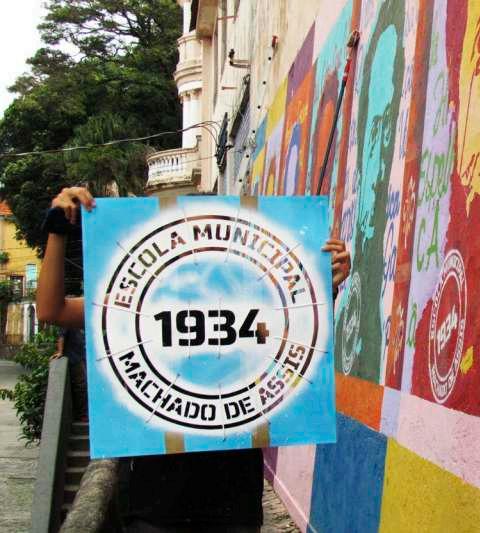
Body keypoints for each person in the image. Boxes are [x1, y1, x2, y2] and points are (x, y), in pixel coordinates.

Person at [37, 186, 351, 533]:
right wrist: (57, 229)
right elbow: (52, 310)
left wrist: (325, 282)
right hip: (154, 506)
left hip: (233, 502)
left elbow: (298, 330)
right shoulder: (136, 302)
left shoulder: (252, 299)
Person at [50, 326, 88, 419]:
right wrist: (60, 352)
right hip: (74, 358)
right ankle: (82, 414)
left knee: (82, 385)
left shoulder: (79, 325)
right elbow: (61, 336)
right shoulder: (68, 323)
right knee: (81, 385)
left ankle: (83, 413)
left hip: (81, 356)